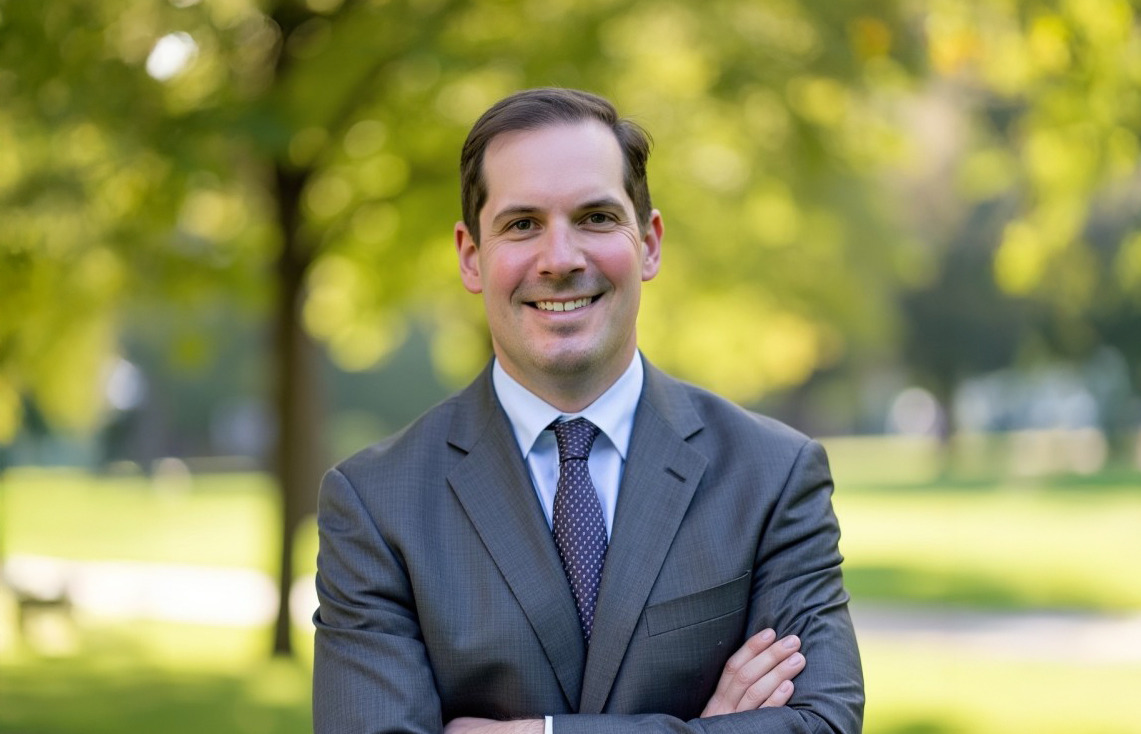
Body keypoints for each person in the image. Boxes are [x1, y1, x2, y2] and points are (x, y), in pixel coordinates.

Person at [313, 88, 863, 734]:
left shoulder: (772, 476)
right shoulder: (375, 505)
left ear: (649, 243)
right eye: (521, 225)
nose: (560, 259)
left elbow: (822, 724)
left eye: (596, 218)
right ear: (470, 256)